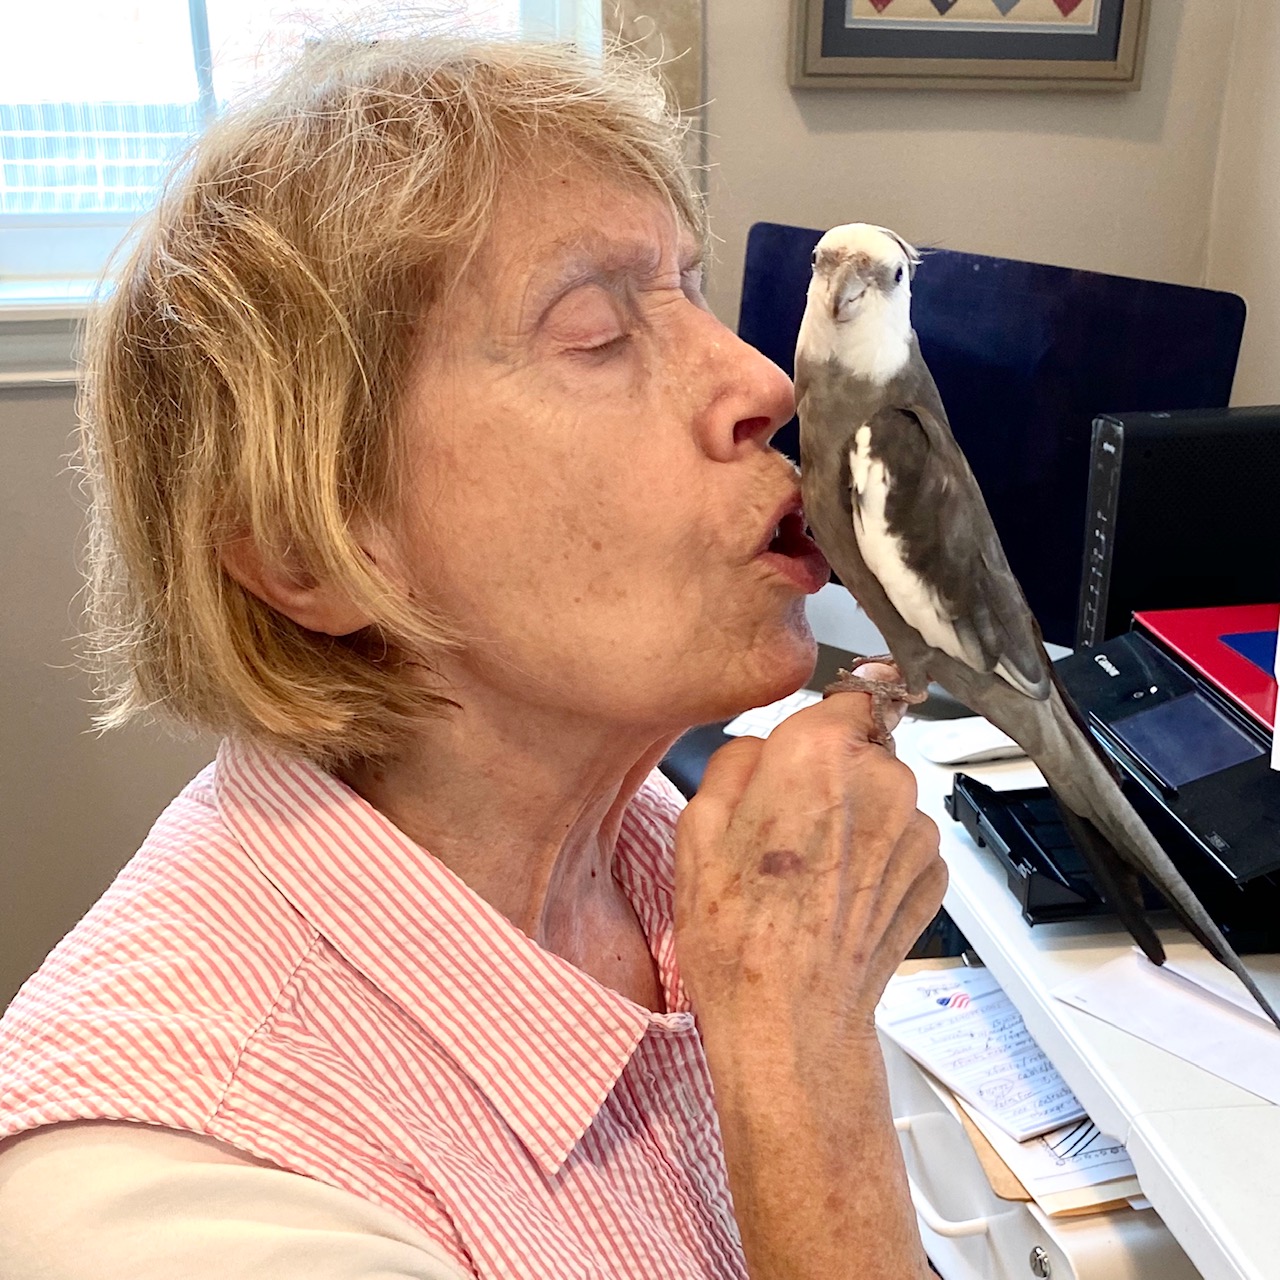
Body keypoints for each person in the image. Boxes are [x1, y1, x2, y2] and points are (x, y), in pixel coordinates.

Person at [0, 31, 945, 1280]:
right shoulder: (172, 1204)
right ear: (309, 551)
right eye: (598, 332)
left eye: (690, 290)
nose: (760, 381)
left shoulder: (640, 837)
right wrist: (799, 1056)